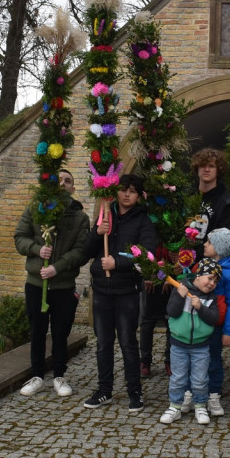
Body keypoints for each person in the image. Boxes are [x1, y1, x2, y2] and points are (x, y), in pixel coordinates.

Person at [82, 174, 158, 413]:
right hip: (101, 290)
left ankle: (134, 391)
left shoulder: (143, 221)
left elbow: (147, 254)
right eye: (124, 189)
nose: (127, 194)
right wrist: (98, 232)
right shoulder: (106, 214)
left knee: (127, 342)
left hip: (127, 291)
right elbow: (87, 251)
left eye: (132, 191)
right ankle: (104, 389)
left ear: (139, 196)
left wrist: (118, 263)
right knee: (103, 343)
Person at [15, 169, 90, 399]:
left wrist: (57, 267)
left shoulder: (79, 217)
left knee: (60, 332)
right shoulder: (34, 208)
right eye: (59, 179)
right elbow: (20, 237)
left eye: (68, 181)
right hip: (36, 284)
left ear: (73, 188)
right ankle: (37, 375)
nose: (62, 183)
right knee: (37, 330)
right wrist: (38, 250)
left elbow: (81, 250)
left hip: (63, 286)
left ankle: (59, 375)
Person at [181, 227, 230, 417]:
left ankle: (213, 394)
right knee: (192, 359)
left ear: (219, 248)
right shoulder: (200, 267)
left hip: (215, 326)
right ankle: (190, 393)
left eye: (209, 242)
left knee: (213, 361)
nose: (205, 245)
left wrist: (228, 332)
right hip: (196, 322)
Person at [159, 258, 223, 426]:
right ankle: (175, 406)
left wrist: (201, 308)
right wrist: (180, 296)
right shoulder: (181, 288)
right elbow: (171, 311)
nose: (212, 284)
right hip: (178, 344)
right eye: (210, 278)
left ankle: (200, 406)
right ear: (199, 275)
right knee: (178, 377)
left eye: (215, 281)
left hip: (201, 346)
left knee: (200, 378)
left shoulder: (211, 297)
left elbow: (214, 318)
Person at [190, 148, 230, 262]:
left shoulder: (227, 203)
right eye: (202, 165)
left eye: (211, 166)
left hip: (208, 266)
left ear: (218, 170)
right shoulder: (187, 197)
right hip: (181, 261)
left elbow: (224, 244)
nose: (206, 169)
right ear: (197, 168)